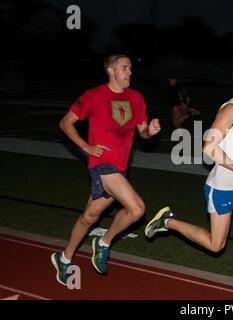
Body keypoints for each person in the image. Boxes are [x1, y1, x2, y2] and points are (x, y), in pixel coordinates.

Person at [145, 63, 233, 300]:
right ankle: (167, 221)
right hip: (221, 188)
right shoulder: (231, 109)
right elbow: (208, 147)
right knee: (215, 245)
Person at [51, 53, 161, 286]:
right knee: (137, 208)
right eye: (125, 67)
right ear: (111, 71)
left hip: (119, 168)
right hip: (102, 164)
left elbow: (141, 131)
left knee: (90, 216)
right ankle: (103, 243)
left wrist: (149, 131)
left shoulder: (136, 98)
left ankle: (64, 258)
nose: (130, 71)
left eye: (130, 67)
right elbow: (65, 122)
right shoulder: (93, 95)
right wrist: (85, 146)